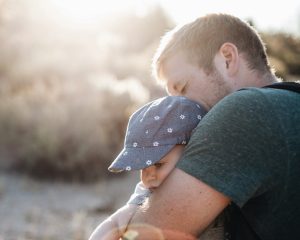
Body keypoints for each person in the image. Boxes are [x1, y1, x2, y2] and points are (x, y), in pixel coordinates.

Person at [122, 13, 300, 240]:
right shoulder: (290, 103)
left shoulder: (244, 110)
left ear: (227, 58)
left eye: (182, 87)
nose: (178, 107)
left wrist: (128, 212)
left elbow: (143, 237)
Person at [88, 96, 207, 240]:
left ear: (191, 152)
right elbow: (114, 222)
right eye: (143, 167)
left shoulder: (209, 184)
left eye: (158, 164)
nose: (148, 176)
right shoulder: (146, 194)